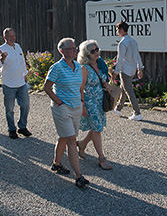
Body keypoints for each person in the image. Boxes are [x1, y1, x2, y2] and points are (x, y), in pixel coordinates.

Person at [43, 37, 89, 188]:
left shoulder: (78, 67)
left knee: (64, 136)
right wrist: (59, 102)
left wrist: (82, 104)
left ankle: (56, 163)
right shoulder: (56, 67)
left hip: (76, 107)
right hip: (62, 108)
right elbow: (47, 88)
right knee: (71, 140)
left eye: (75, 48)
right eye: (71, 48)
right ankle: (79, 176)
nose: (75, 50)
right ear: (62, 51)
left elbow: (80, 88)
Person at [76, 39, 112, 170]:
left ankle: (82, 144)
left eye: (97, 49)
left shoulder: (101, 63)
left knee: (97, 127)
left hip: (100, 100)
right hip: (90, 101)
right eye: (93, 51)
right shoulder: (84, 68)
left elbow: (105, 79)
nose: (96, 53)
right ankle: (101, 158)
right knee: (97, 129)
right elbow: (81, 88)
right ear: (86, 54)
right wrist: (83, 106)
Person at [0, 27, 31, 139]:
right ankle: (12, 129)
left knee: (25, 105)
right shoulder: (1, 49)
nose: (12, 38)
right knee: (9, 108)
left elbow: (22, 61)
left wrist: (25, 75)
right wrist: (2, 59)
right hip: (8, 83)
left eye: (14, 36)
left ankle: (22, 127)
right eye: (10, 36)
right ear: (5, 37)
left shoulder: (18, 46)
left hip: (20, 82)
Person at [112, 21, 144, 120]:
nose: (117, 32)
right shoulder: (133, 41)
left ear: (121, 30)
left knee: (128, 91)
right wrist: (140, 69)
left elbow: (120, 59)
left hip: (125, 70)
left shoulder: (122, 43)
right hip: (132, 70)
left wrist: (115, 73)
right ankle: (118, 109)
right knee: (123, 89)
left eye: (117, 30)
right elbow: (137, 56)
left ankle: (137, 113)